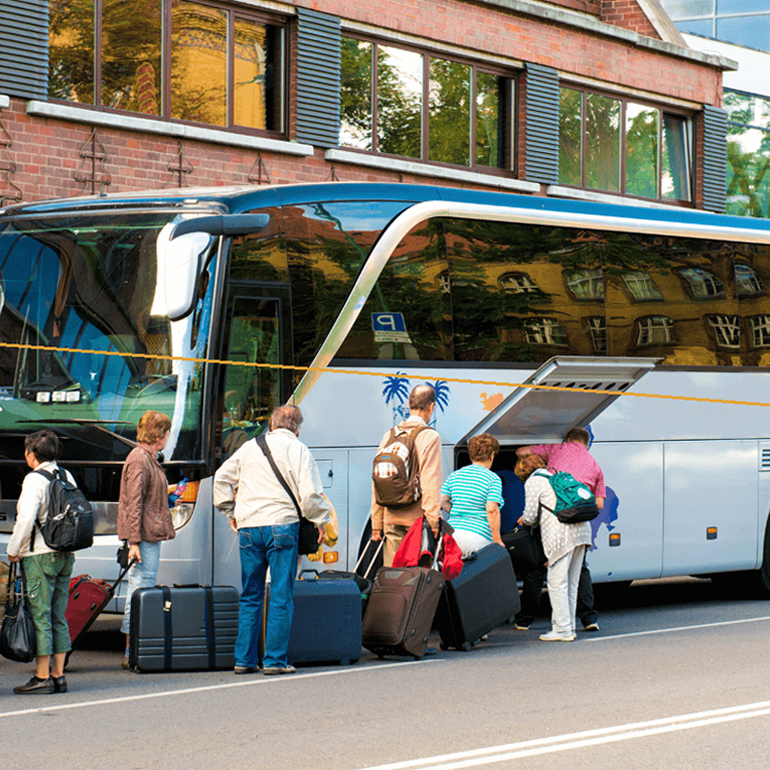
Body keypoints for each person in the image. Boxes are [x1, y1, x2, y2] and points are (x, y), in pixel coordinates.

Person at [213, 404, 331, 676]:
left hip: (249, 528)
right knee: (279, 595)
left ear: (272, 424)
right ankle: (274, 661)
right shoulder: (299, 449)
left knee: (250, 594)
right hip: (281, 526)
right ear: (297, 429)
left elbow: (221, 479)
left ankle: (244, 659)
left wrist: (231, 512)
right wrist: (320, 520)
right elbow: (310, 495)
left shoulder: (249, 447)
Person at [514, 427, 605, 631]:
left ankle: (527, 619)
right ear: (586, 443)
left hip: (555, 521)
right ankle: (588, 618)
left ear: (569, 439)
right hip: (581, 524)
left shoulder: (557, 449)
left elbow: (521, 452)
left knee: (539, 568)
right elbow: (598, 504)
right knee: (579, 572)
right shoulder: (595, 465)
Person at [6, 430, 76, 694]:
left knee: (40, 616)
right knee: (59, 615)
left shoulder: (34, 480)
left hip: (39, 556)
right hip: (65, 554)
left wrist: (14, 550)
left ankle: (42, 676)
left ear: (31, 455)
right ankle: (59, 676)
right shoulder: (65, 475)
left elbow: (25, 519)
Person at [118, 411, 176, 670]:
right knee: (140, 591)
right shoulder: (140, 460)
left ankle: (136, 648)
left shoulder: (146, 459)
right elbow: (133, 503)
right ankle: (132, 650)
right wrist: (134, 542)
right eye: (167, 431)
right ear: (159, 434)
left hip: (146, 536)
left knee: (142, 590)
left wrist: (168, 493)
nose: (168, 436)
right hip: (143, 539)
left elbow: (144, 498)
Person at [517, 454, 591, 642]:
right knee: (572, 582)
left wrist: (523, 521)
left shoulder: (534, 482)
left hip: (561, 535)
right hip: (581, 530)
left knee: (557, 582)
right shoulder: (556, 477)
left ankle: (562, 630)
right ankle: (569, 626)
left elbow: (531, 515)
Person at [371, 384, 442, 567]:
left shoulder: (390, 435)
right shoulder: (429, 437)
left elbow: (377, 482)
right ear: (431, 407)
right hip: (416, 521)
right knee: (414, 576)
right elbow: (430, 482)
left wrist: (377, 522)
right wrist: (433, 521)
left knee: (393, 573)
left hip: (390, 517)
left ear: (409, 405)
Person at [440, 433, 505, 557]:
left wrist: (458, 511)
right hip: (478, 537)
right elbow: (492, 509)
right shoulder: (493, 479)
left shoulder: (455, 475)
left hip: (452, 535)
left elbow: (442, 501)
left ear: (471, 456)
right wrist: (497, 541)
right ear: (492, 456)